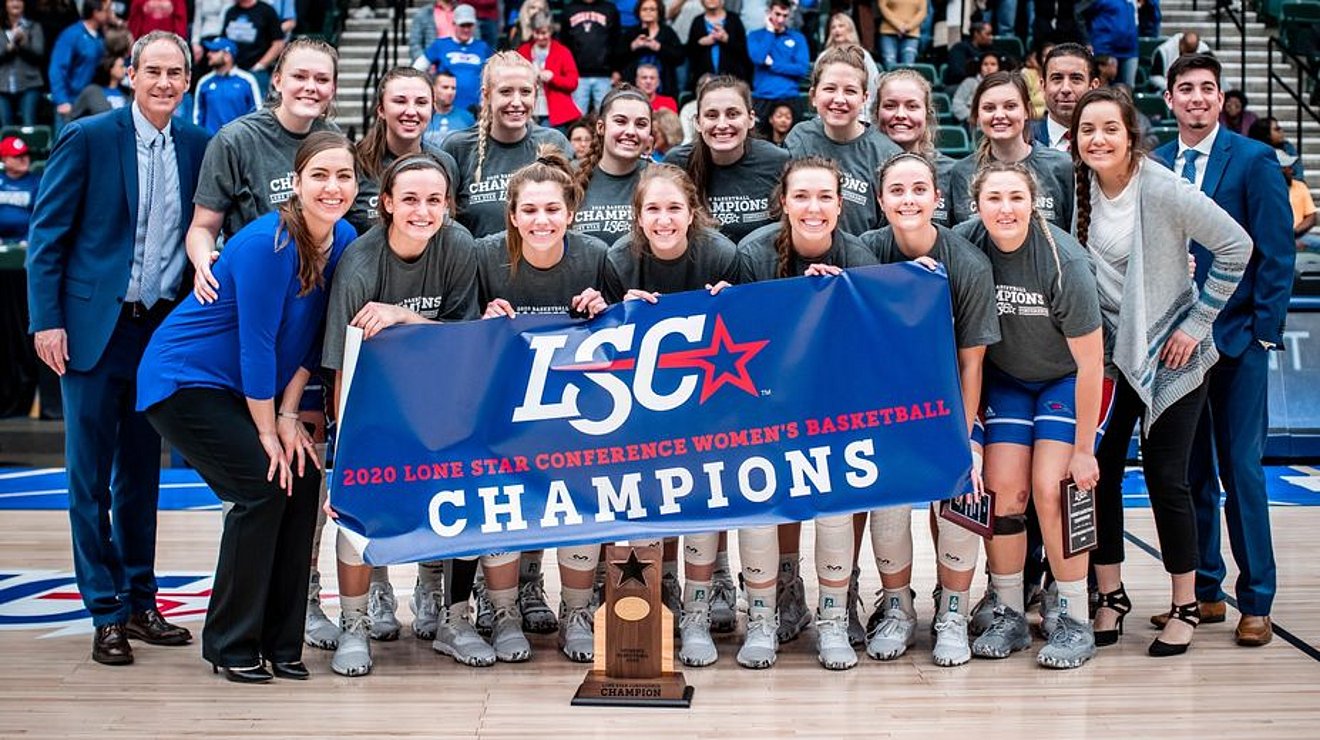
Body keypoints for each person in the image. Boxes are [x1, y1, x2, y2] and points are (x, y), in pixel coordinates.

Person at [139, 131, 356, 683]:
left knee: (304, 480)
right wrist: (267, 432)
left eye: (344, 176)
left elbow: (314, 337)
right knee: (261, 486)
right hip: (185, 379)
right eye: (320, 176)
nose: (333, 188)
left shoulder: (346, 237)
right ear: (297, 184)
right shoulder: (268, 243)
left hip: (250, 391)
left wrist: (288, 417)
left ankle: (283, 643)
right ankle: (232, 644)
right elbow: (255, 343)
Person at [25, 30, 208, 668]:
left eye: (174, 72)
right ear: (130, 74)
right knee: (87, 477)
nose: (163, 82)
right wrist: (47, 321)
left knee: (141, 476)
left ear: (188, 79)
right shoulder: (90, 136)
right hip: (90, 331)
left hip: (158, 331)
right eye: (152, 70)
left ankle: (140, 600)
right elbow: (47, 237)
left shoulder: (198, 145)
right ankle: (103, 610)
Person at [1073, 86, 1251, 657]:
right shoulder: (1077, 188)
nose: (1097, 139)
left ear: (1131, 136)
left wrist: (1197, 323)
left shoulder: (1163, 186)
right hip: (1101, 357)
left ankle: (1185, 604)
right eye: (1086, 130)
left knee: (1166, 479)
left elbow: (1236, 246)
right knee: (1094, 473)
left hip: (1167, 355)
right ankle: (1111, 595)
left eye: (1109, 129)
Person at [184, 36, 341, 650]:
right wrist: (203, 264)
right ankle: (244, 618)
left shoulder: (332, 141)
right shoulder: (237, 139)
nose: (311, 88)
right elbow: (204, 227)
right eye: (301, 76)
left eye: (322, 79)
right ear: (277, 79)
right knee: (259, 481)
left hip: (301, 338)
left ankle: (298, 602)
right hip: (247, 326)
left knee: (304, 478)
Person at [1152, 54, 1295, 648]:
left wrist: (1264, 332)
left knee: (1241, 471)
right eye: (1185, 89)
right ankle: (1206, 591)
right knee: (1189, 474)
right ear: (1169, 100)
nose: (1197, 99)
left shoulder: (1254, 159)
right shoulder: (1156, 162)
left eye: (1207, 89)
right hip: (1175, 345)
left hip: (1236, 341)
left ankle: (1256, 599)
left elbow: (1276, 252)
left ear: (1221, 98)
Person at [322, 154, 482, 675]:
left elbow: (469, 341)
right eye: (410, 199)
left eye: (434, 200)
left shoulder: (457, 244)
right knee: (358, 510)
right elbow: (341, 372)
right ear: (386, 203)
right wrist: (347, 457)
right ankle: (353, 624)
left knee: (467, 490)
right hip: (375, 408)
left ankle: (454, 616)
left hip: (443, 403)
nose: (423, 210)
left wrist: (402, 317)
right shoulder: (361, 264)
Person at [951, 160, 1107, 669]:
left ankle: (1073, 617)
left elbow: (1091, 364)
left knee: (1051, 488)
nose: (1006, 209)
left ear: (1034, 202)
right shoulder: (965, 243)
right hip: (1007, 380)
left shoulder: (1064, 260)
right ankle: (1010, 611)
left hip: (1065, 380)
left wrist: (1085, 449)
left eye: (1016, 197)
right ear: (977, 205)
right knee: (1001, 491)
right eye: (994, 198)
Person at [735, 155, 878, 670]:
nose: (813, 208)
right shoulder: (753, 254)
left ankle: (835, 619)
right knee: (762, 503)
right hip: (767, 405)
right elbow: (740, 337)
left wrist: (838, 300)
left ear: (840, 205)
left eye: (824, 198)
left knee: (837, 503)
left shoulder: (859, 258)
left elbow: (873, 345)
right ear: (784, 203)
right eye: (802, 197)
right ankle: (763, 617)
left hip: (835, 406)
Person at [859, 151, 999, 666]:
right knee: (887, 498)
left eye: (919, 189)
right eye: (897, 190)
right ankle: (897, 605)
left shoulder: (967, 262)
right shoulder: (864, 252)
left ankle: (954, 613)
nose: (909, 199)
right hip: (885, 408)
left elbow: (971, 364)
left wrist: (961, 440)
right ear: (880, 201)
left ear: (937, 198)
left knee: (963, 487)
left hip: (950, 405)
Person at [476, 147, 613, 663]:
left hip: (573, 415)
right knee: (503, 505)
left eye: (552, 209)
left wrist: (604, 312)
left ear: (570, 213)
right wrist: (484, 320)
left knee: (578, 504)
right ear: (512, 215)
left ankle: (576, 611)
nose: (541, 220)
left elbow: (625, 334)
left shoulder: (595, 256)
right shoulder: (486, 255)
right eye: (529, 210)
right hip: (503, 412)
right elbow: (458, 340)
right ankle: (504, 610)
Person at [600, 164, 739, 666]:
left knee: (704, 495)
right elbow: (601, 346)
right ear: (637, 216)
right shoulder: (618, 260)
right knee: (642, 499)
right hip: (640, 408)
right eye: (652, 209)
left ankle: (698, 613)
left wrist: (732, 307)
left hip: (709, 406)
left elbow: (749, 336)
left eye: (674, 208)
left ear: (692, 212)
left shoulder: (721, 255)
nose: (664, 219)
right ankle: (646, 605)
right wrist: (619, 314)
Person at [442, 52, 573, 239]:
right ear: (487, 95)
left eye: (525, 92)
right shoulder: (458, 147)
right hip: (477, 265)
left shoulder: (554, 142)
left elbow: (568, 213)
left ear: (535, 94)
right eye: (506, 92)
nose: (517, 102)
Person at [786, 45, 900, 253]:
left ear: (864, 98)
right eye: (830, 89)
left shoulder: (887, 154)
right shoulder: (799, 137)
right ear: (813, 95)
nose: (839, 99)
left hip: (863, 265)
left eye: (850, 91)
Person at [665, 75, 789, 242]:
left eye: (732, 114)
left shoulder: (777, 161)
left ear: (751, 119)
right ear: (697, 122)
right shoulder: (677, 164)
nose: (722, 124)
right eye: (711, 115)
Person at [946, 71, 1075, 228]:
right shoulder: (962, 172)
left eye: (1010, 106)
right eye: (989, 108)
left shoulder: (1061, 166)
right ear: (977, 115)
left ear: (1027, 110)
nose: (999, 115)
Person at [875, 69, 957, 225]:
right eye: (890, 106)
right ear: (877, 111)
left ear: (927, 113)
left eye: (912, 106)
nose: (900, 114)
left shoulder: (951, 173)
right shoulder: (862, 168)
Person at [572, 85, 651, 244]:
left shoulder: (660, 178)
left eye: (641, 124)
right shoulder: (570, 176)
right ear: (601, 127)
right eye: (620, 121)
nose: (631, 131)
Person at [416, 4, 492, 116]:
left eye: (469, 25)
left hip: (475, 110)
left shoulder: (483, 47)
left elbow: (492, 75)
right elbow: (417, 67)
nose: (466, 29)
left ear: (474, 26)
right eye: (462, 25)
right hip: (445, 110)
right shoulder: (441, 45)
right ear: (454, 24)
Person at [746, 0, 807, 134]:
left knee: (794, 144)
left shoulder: (798, 38)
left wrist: (773, 64)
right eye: (777, 14)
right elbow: (758, 58)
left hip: (789, 97)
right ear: (769, 13)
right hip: (762, 98)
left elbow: (801, 69)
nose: (780, 19)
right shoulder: (755, 36)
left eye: (784, 16)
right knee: (759, 142)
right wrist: (769, 31)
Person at [49, 0, 109, 132]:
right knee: (63, 145)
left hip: (91, 101)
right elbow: (57, 68)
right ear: (96, 13)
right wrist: (61, 100)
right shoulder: (71, 35)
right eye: (106, 10)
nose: (109, 14)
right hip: (70, 100)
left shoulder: (100, 37)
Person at [517, 11, 580, 129]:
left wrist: (553, 78)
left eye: (544, 33)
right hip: (529, 110)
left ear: (551, 31)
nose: (540, 37)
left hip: (555, 112)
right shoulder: (523, 51)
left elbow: (573, 83)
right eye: (537, 33)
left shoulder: (562, 51)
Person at [1033, 43, 1099, 152]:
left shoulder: (1109, 142)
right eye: (1057, 78)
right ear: (1043, 85)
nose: (1066, 89)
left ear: (1093, 86)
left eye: (1076, 79)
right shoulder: (1023, 139)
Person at [192, 36, 262, 135]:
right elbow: (198, 116)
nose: (208, 54)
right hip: (211, 143)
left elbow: (257, 114)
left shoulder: (247, 80)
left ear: (227, 55)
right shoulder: (204, 82)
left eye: (214, 51)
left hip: (239, 143)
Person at [561, 0, 619, 115]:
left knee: (605, 116)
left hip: (604, 74)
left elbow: (616, 41)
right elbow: (564, 42)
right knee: (577, 118)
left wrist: (616, 69)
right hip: (577, 75)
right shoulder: (569, 9)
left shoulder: (610, 8)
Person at [619, 0, 683, 97]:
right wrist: (633, 46)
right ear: (638, 12)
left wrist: (658, 47)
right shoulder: (631, 33)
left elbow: (680, 57)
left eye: (652, 9)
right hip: (633, 87)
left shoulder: (667, 32)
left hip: (664, 86)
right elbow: (617, 58)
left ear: (659, 12)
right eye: (644, 9)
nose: (648, 12)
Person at [823, 12, 879, 123]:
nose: (837, 30)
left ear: (850, 29)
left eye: (841, 26)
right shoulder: (823, 56)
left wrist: (864, 109)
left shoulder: (863, 55)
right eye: (833, 27)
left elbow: (874, 84)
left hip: (861, 114)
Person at [684, 0, 749, 94]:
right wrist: (701, 43)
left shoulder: (734, 19)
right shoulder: (697, 21)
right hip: (704, 82)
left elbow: (744, 51)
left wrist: (727, 39)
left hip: (732, 80)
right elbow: (689, 53)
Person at [220, 0, 284, 90]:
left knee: (258, 103)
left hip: (257, 72)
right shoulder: (230, 12)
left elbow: (278, 43)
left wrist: (260, 65)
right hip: (232, 71)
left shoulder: (267, 10)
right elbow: (224, 42)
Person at [0, 0, 45, 127]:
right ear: (5, 4)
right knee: (5, 127)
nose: (15, 3)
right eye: (11, 0)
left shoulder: (34, 26)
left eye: (19, 0)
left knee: (28, 125)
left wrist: (24, 44)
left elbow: (39, 54)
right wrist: (8, 50)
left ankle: (30, 148)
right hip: (2, 86)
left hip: (29, 84)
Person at [1078, 0, 1138, 88]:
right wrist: (1086, 40)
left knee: (1128, 89)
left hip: (1130, 50)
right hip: (1105, 49)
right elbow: (1079, 13)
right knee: (1103, 87)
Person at [422, 70, 476, 150]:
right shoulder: (423, 116)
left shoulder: (467, 118)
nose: (450, 92)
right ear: (433, 89)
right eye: (445, 87)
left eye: (453, 88)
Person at [0, 134, 38, 240]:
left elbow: (42, 217)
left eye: (26, 154)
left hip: (29, 239)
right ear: (4, 160)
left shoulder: (38, 182)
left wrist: (28, 239)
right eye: (17, 156)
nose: (24, 159)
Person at [1247, 115, 1305, 183]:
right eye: (1277, 129)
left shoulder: (1287, 147)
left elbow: (1298, 173)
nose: (1281, 131)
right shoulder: (1255, 151)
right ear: (1266, 134)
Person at [69, 52, 126, 119]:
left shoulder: (128, 92)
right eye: (121, 66)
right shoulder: (91, 92)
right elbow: (73, 117)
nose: (125, 69)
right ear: (110, 69)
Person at [1283, 151, 1320, 251]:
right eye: (1288, 168)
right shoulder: (1267, 189)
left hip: (1298, 235)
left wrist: (1295, 233)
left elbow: (1312, 217)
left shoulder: (1300, 186)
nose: (1292, 171)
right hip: (1277, 239)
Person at [951, 51, 1000, 124]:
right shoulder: (970, 82)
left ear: (999, 68)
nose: (989, 67)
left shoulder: (1004, 86)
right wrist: (972, 117)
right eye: (985, 64)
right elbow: (957, 103)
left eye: (993, 64)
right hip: (971, 123)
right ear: (980, 67)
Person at [877, 0, 924, 69]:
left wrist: (908, 27)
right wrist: (898, 25)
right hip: (888, 32)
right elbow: (882, 6)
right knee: (889, 65)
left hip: (911, 34)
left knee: (908, 67)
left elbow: (922, 11)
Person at [944, 20, 990, 88]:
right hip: (960, 85)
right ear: (976, 33)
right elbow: (957, 73)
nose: (991, 37)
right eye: (987, 34)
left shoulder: (990, 50)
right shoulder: (960, 48)